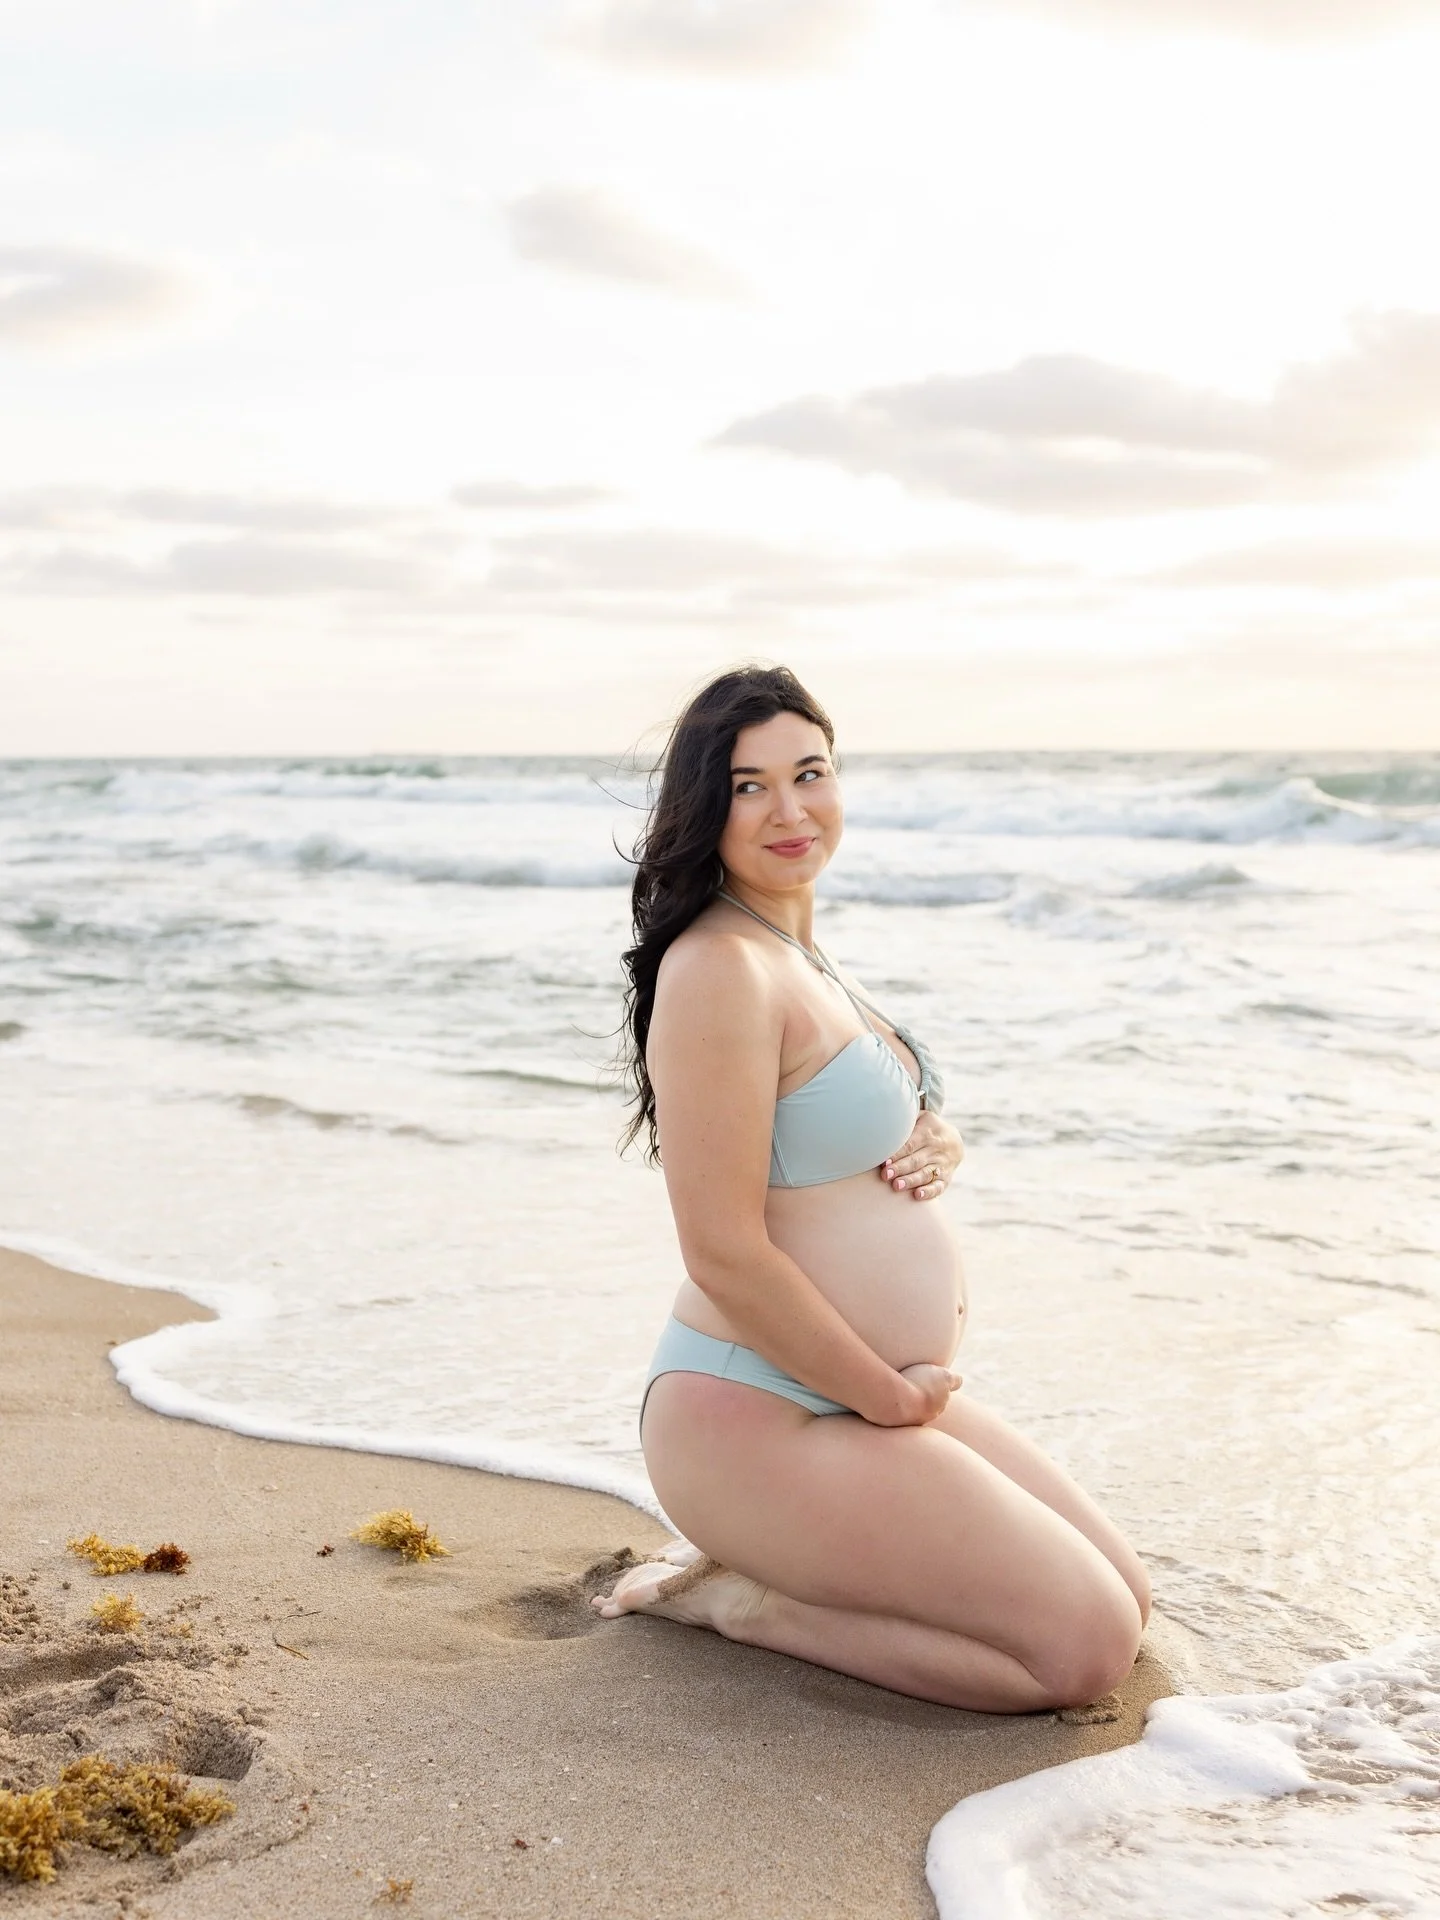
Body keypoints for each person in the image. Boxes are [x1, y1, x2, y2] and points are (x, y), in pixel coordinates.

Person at [593, 666, 1149, 1711]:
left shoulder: (800, 952)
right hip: (758, 1413)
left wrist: (935, 1137)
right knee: (1081, 1652)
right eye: (749, 786)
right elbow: (721, 1248)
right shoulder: (718, 968)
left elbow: (835, 1131)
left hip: (847, 1398)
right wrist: (887, 1396)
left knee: (1130, 1598)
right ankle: (741, 1602)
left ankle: (789, 1567)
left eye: (809, 774)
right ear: (704, 807)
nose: (789, 809)